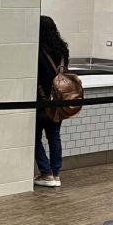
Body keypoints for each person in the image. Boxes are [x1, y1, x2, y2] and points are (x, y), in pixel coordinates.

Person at [35, 15, 69, 188]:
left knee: (34, 137)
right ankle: (56, 174)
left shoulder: (37, 49)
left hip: (41, 100)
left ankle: (46, 173)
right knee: (54, 136)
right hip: (59, 100)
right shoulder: (62, 50)